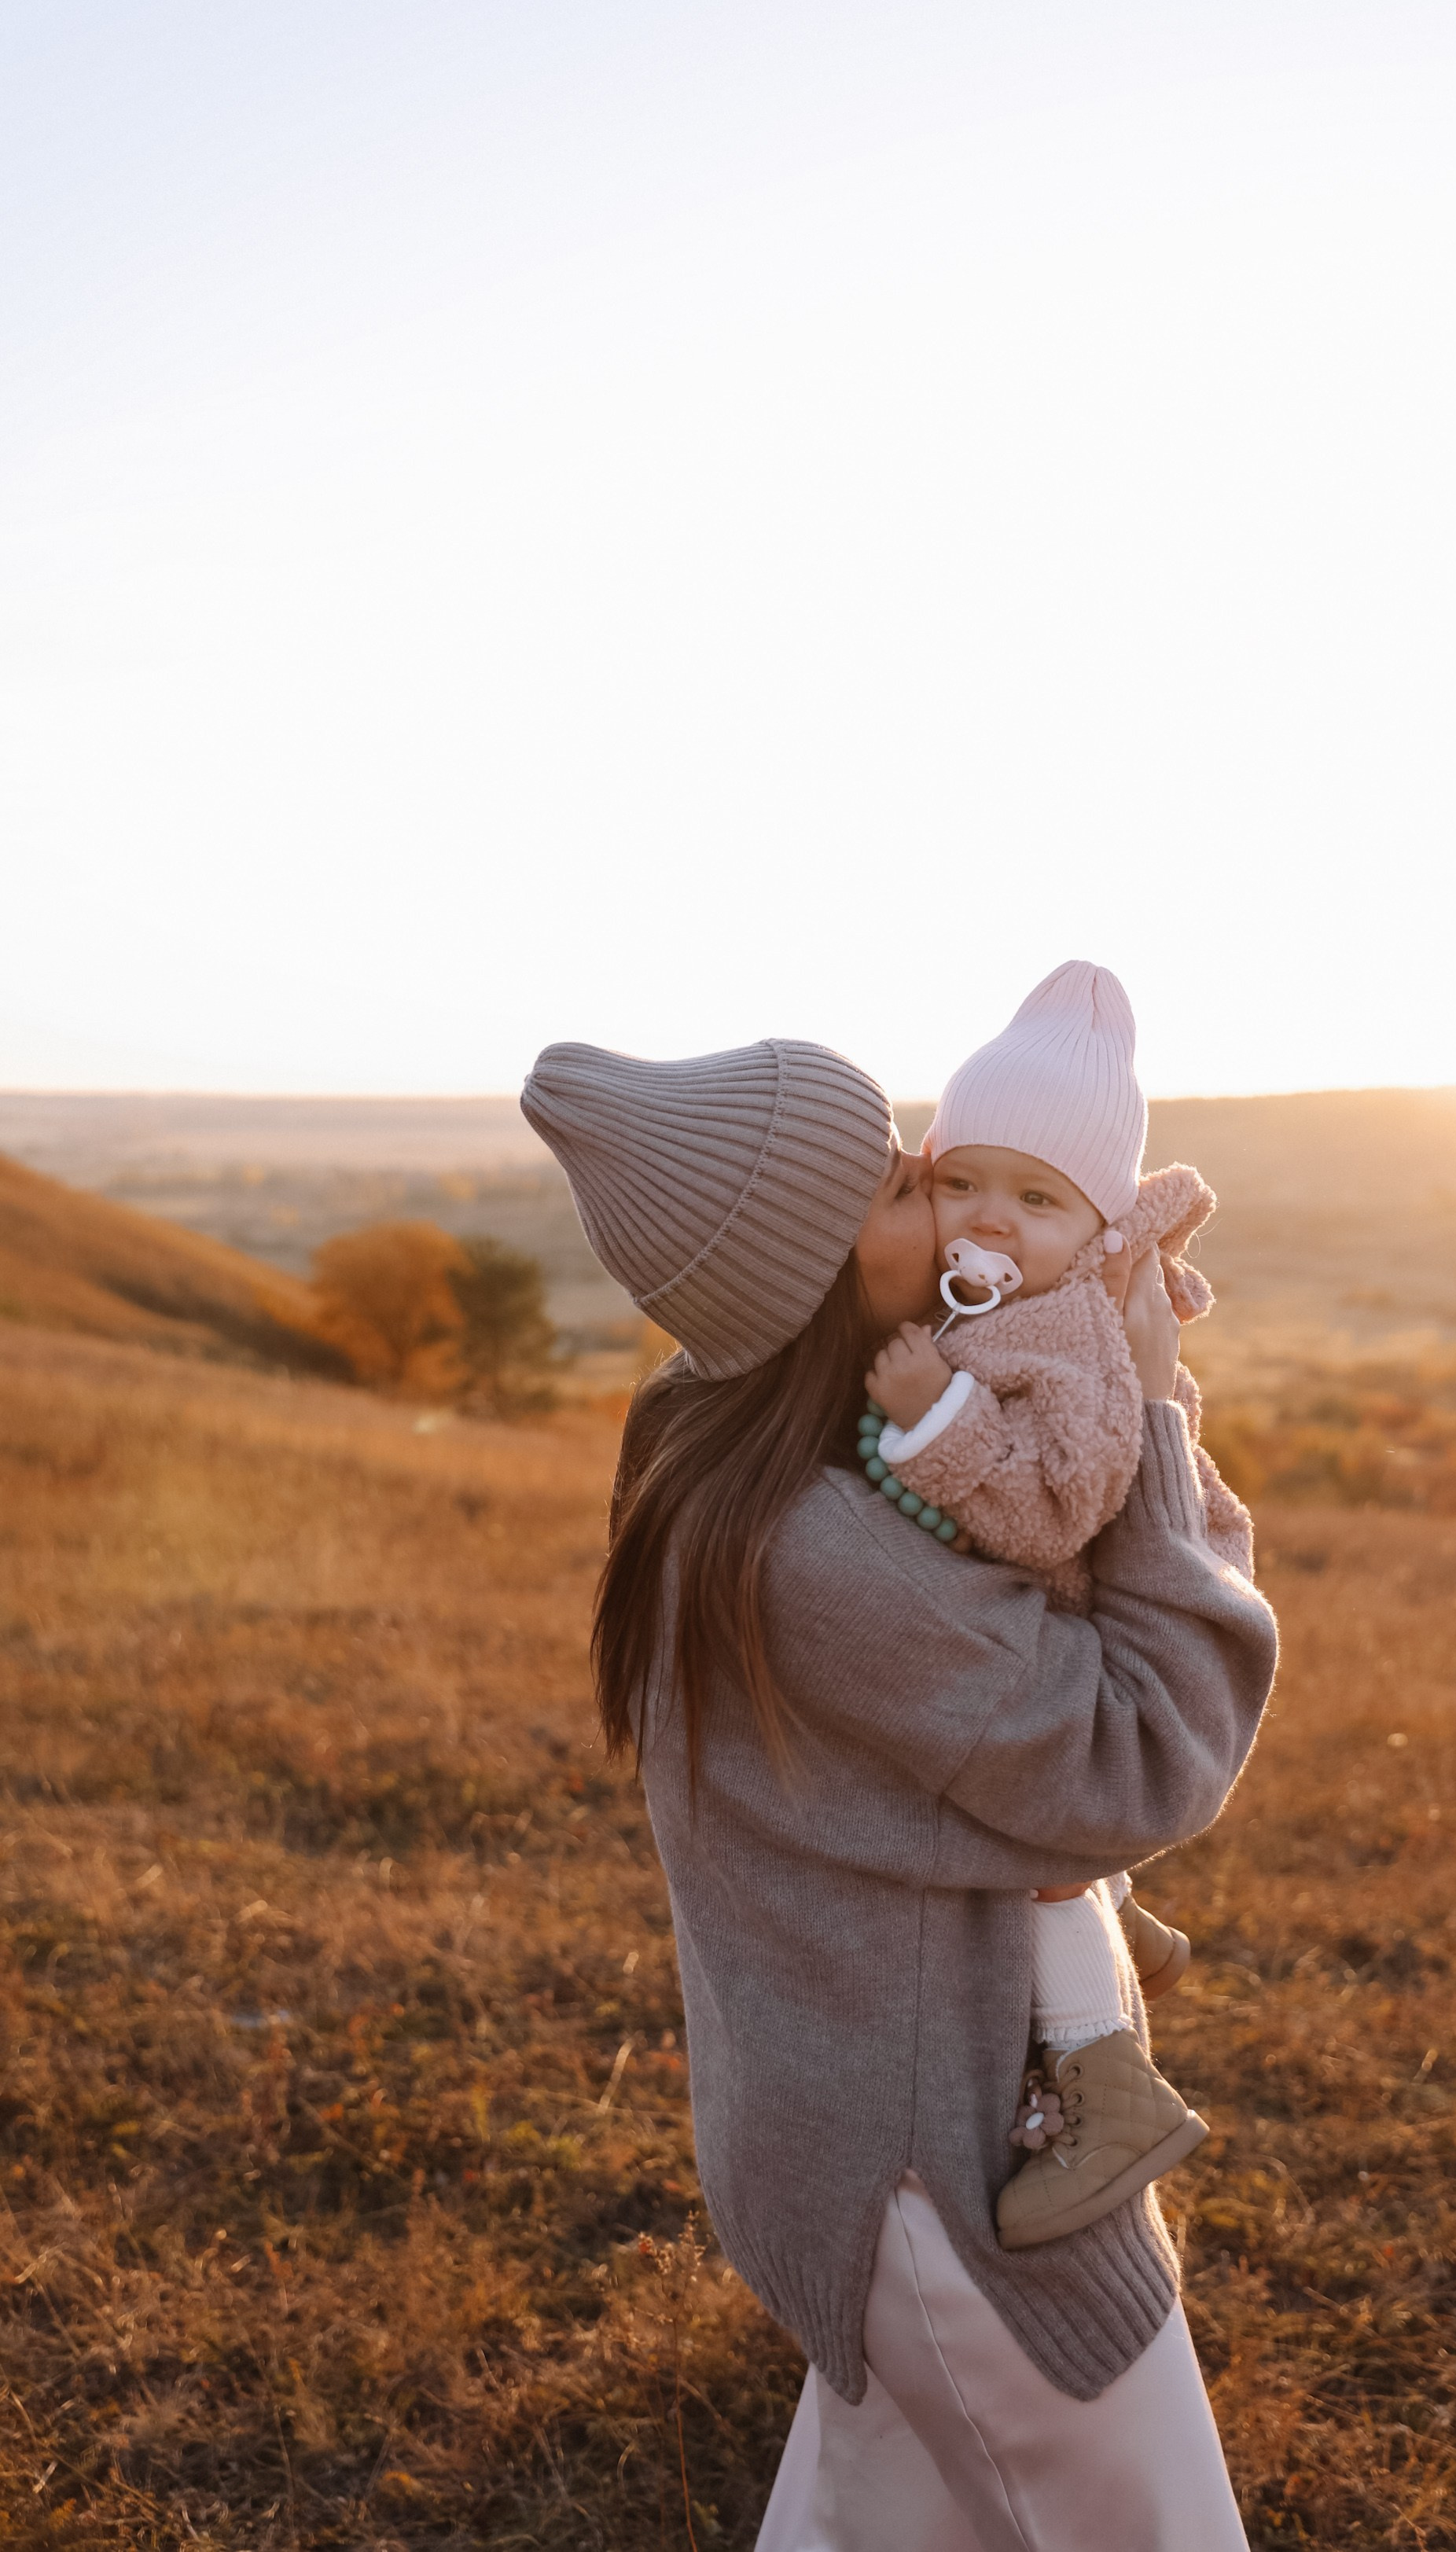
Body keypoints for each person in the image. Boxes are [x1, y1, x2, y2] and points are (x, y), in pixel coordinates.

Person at [520, 1028, 1278, 2552]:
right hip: (953, 2171)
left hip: (856, 2120)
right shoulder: (829, 1549)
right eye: (888, 1182)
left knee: (882, 2513)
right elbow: (1144, 1750)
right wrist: (1143, 1425)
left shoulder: (710, 1435)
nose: (937, 1184)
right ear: (807, 1275)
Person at [860, 963, 1255, 2252]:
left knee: (1036, 1851)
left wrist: (935, 1416)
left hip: (1108, 1597)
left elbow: (1055, 1514)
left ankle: (1106, 2086)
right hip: (1068, 1596)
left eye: (1035, 1198)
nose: (989, 1218)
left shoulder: (1071, 1329)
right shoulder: (1007, 1304)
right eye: (961, 1179)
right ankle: (1122, 1919)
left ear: (1095, 1223)